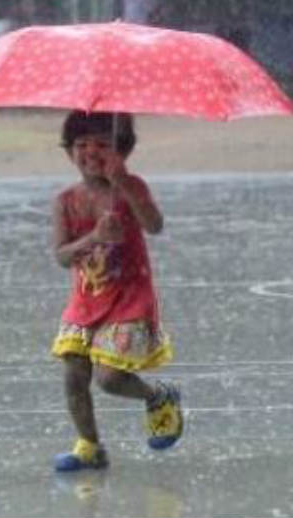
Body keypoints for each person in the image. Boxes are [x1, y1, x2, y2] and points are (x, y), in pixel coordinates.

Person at [50, 111, 183, 472]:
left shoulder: (132, 186)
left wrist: (123, 183)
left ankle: (158, 396)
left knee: (108, 378)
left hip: (128, 299)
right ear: (68, 152)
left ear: (122, 152)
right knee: (74, 373)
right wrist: (94, 237)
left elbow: (154, 225)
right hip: (85, 301)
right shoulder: (65, 200)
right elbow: (62, 256)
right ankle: (89, 445)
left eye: (102, 145)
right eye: (80, 145)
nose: (90, 152)